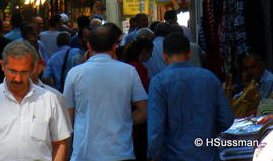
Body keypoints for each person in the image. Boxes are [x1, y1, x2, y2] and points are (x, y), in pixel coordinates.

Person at [0, 40, 72, 161]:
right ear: (2, 66)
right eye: (13, 71)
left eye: (24, 72)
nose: (18, 79)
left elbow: (60, 143)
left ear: (32, 69)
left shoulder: (50, 100)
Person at [64, 24, 148, 161]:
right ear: (114, 47)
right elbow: (143, 112)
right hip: (121, 153)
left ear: (89, 46)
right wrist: (123, 120)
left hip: (85, 153)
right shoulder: (129, 72)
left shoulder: (75, 74)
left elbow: (68, 118)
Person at [147, 33, 234, 161]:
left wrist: (153, 155)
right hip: (207, 154)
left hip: (173, 156)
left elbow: (156, 129)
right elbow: (226, 119)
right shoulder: (209, 78)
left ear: (164, 56)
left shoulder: (158, 82)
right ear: (189, 54)